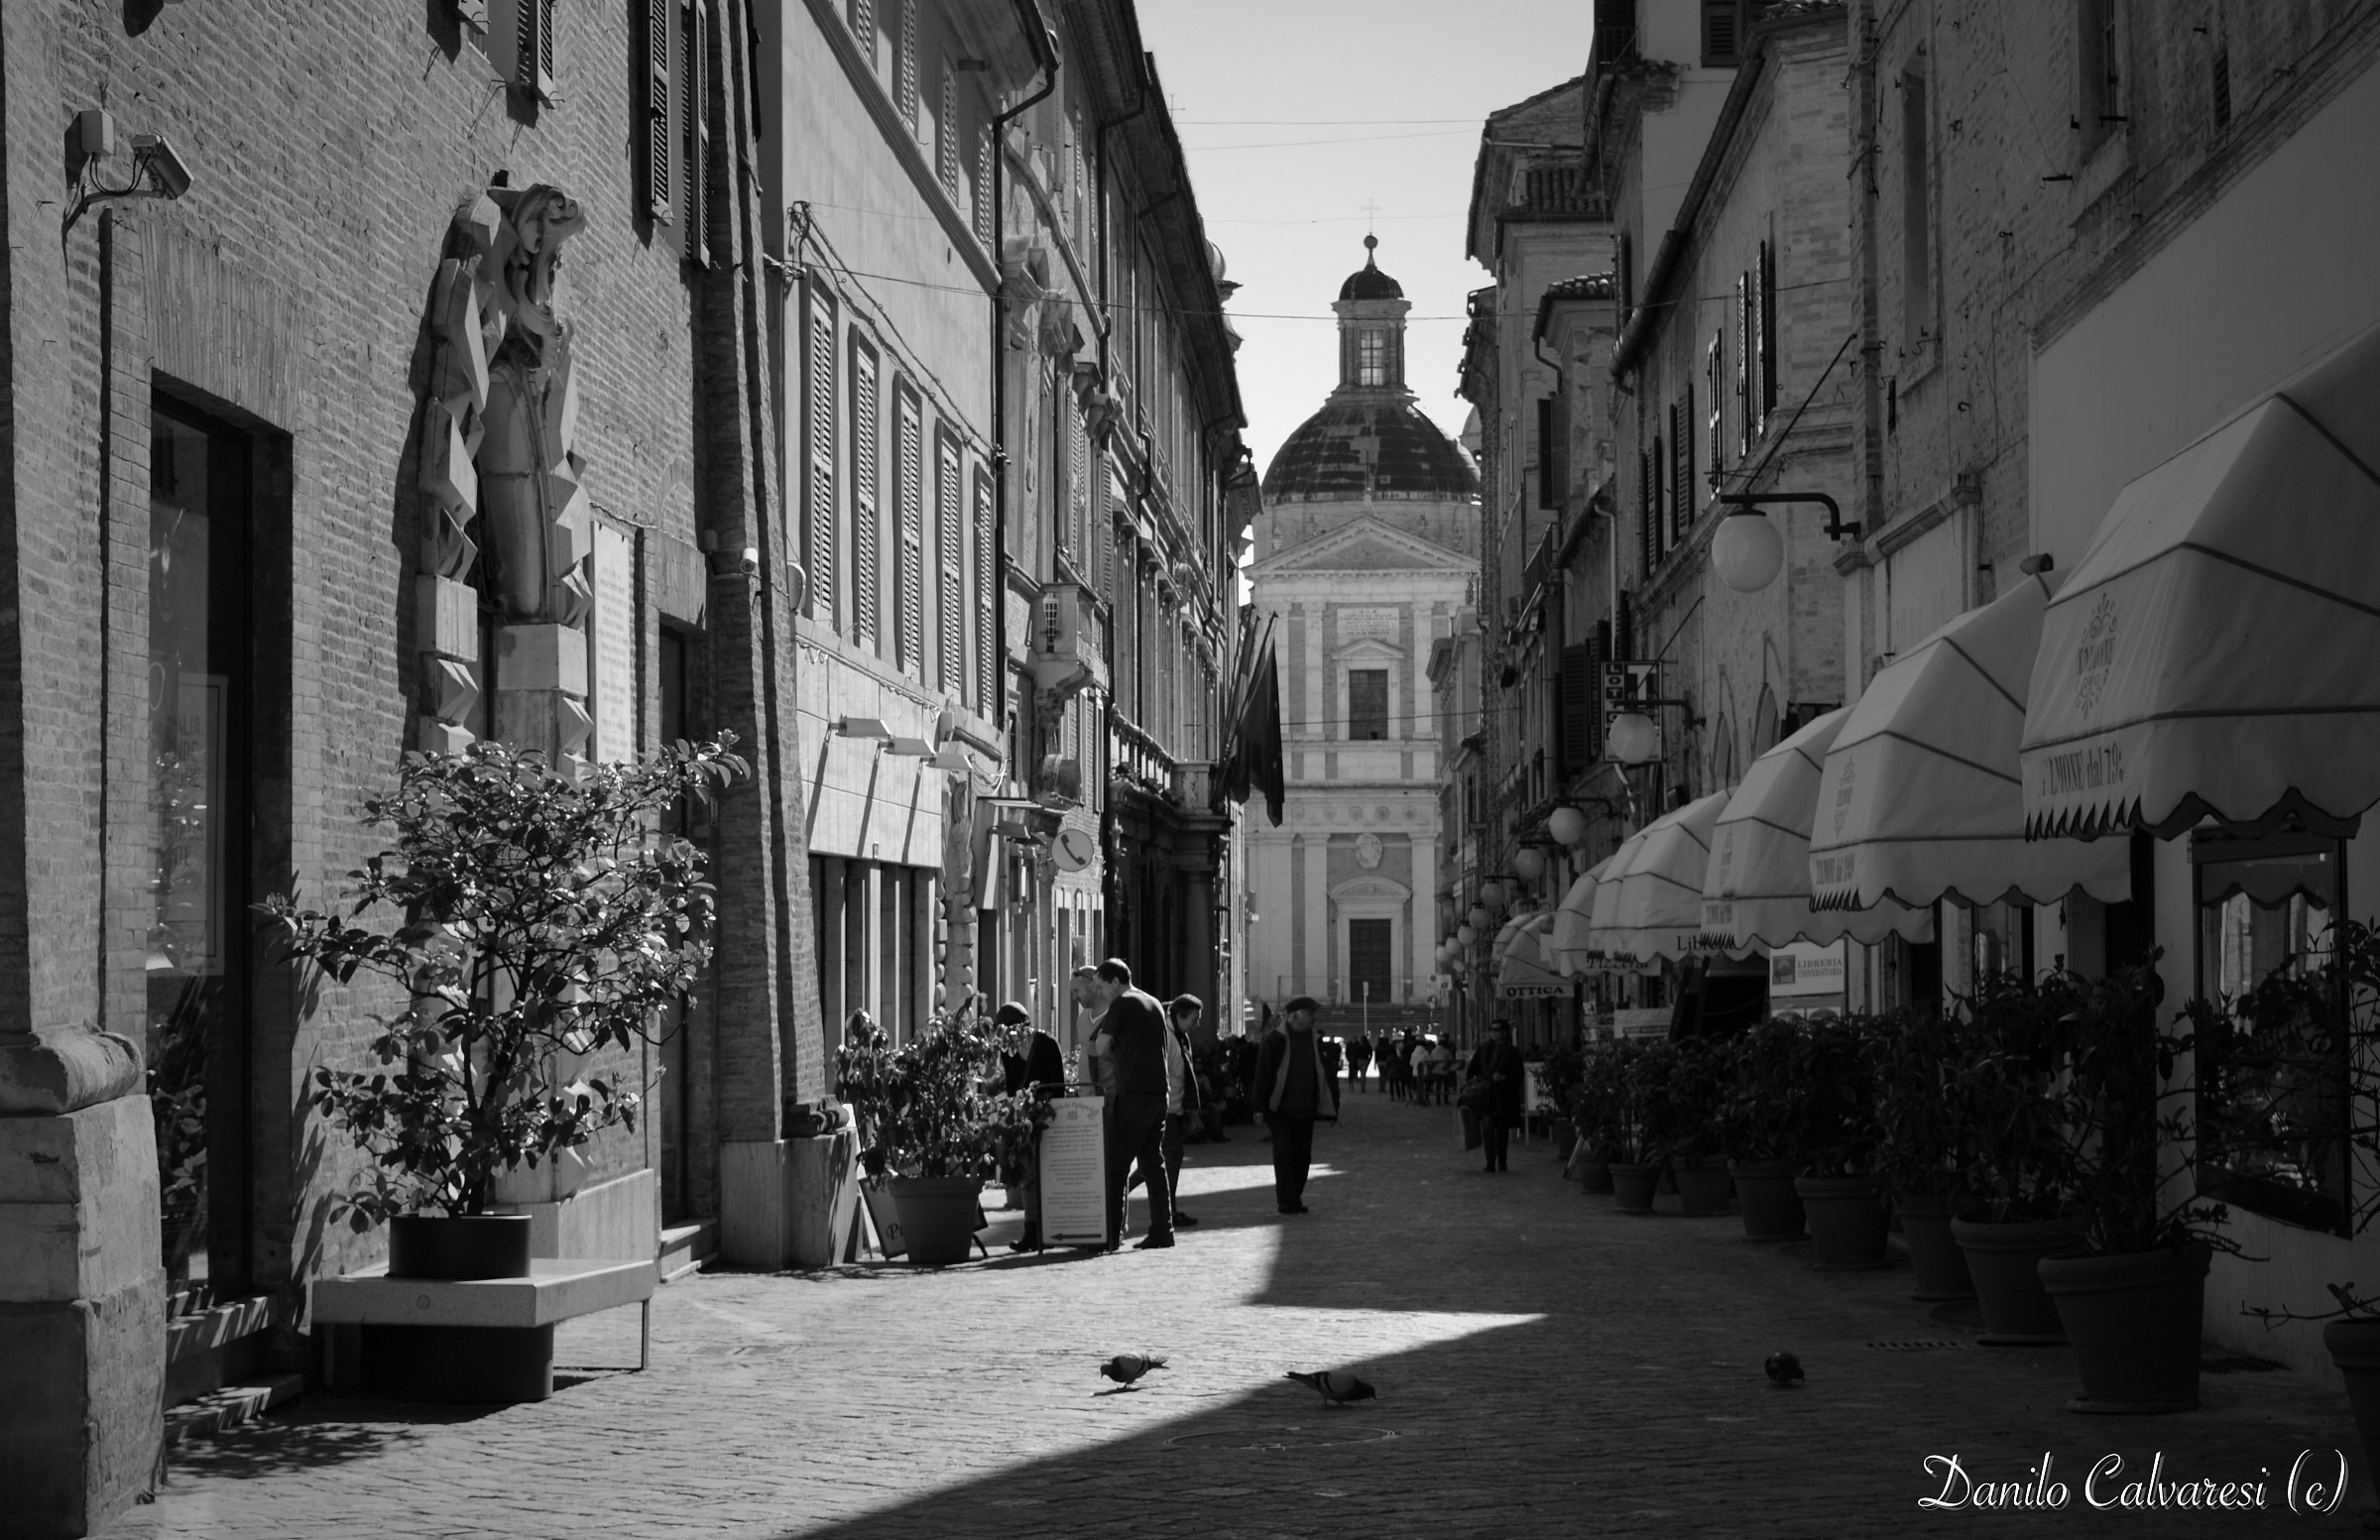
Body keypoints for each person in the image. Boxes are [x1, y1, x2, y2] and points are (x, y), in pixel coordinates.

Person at [1084, 959, 1174, 1251]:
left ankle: (1109, 1236)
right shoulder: (1154, 1002)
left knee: (1116, 1166)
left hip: (1132, 1093)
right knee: (1153, 1163)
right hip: (1159, 1093)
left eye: (1100, 985)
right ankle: (1163, 1230)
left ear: (1114, 982)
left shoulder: (1122, 1003)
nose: (1099, 992)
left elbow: (1100, 1047)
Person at [1254, 997, 1340, 1215]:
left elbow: (1325, 1074)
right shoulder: (1275, 1039)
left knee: (1302, 1156)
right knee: (1283, 1152)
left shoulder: (1315, 1040)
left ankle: (1295, 1197)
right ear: (1294, 1016)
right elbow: (1262, 1074)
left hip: (1305, 1109)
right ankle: (1285, 1201)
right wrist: (1259, 1107)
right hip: (1280, 1108)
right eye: (1310, 1013)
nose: (1314, 1017)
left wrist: (1332, 1108)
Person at [997, 1002, 1067, 1250]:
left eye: (1009, 1032)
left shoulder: (1047, 1044)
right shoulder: (1009, 1052)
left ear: (1023, 1026)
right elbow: (1012, 1087)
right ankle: (1032, 1231)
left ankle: (1057, 1226)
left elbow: (1059, 1085)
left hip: (1050, 1119)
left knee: (1051, 1175)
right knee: (1028, 1175)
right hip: (1025, 1121)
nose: (1007, 1039)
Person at [1155, 996, 1208, 1227]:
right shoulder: (1167, 1037)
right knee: (1171, 1158)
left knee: (1162, 1160)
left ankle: (1169, 1210)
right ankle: (1168, 1212)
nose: (1196, 1025)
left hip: (1174, 1108)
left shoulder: (1180, 1036)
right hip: (1165, 1108)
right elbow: (1162, 1074)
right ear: (1179, 1016)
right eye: (1194, 1019)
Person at [1465, 1018, 1527, 1173]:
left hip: (1504, 1096)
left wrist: (1504, 1078)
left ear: (1504, 1032)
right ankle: (1490, 1162)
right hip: (1486, 1097)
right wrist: (1476, 1081)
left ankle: (1502, 1161)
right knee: (1488, 1128)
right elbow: (1472, 1071)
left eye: (1497, 1030)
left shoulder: (1512, 1052)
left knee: (1502, 1131)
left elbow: (1519, 1074)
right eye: (1491, 1030)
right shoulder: (1484, 1049)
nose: (1493, 1033)